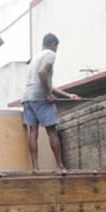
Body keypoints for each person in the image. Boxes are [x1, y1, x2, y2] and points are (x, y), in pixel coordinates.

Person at [22, 33, 81, 171]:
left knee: (33, 132)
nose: (56, 49)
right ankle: (60, 166)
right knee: (52, 131)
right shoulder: (50, 54)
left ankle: (35, 168)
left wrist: (68, 95)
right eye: (57, 46)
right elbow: (42, 73)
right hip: (40, 97)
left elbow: (46, 81)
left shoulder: (35, 58)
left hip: (27, 97)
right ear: (53, 44)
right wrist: (47, 94)